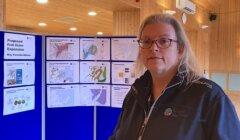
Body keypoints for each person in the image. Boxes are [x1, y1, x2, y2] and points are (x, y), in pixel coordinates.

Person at [109, 13, 240, 140]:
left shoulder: (208, 96)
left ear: (180, 49)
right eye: (146, 41)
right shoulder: (135, 94)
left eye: (164, 41)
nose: (153, 47)